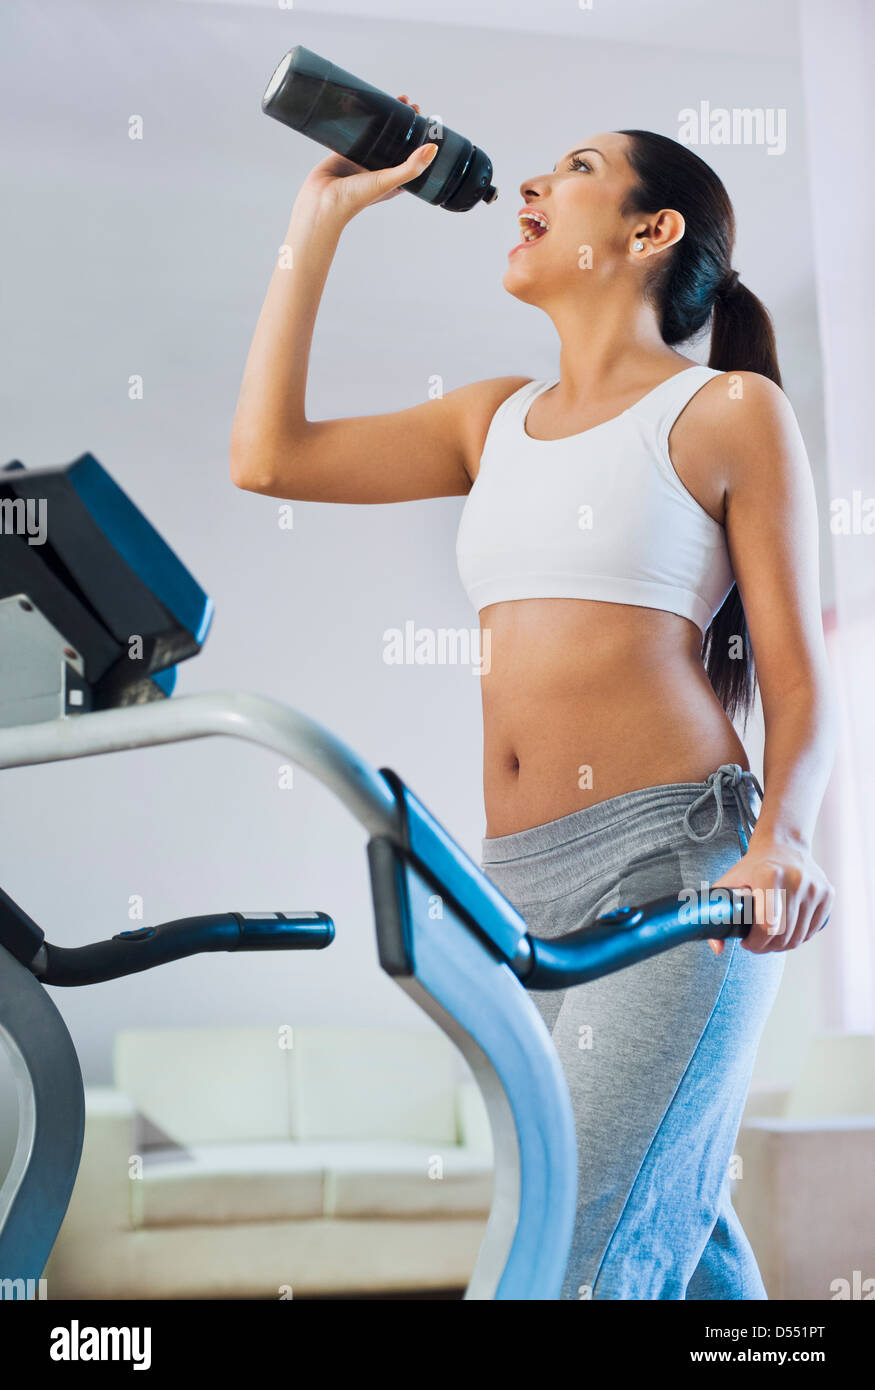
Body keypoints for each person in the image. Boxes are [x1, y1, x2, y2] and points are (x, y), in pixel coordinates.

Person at [229, 108, 837, 1300]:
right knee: (674, 1231)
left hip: (675, 874)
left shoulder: (723, 413)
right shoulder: (490, 419)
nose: (527, 186)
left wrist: (785, 841)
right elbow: (269, 457)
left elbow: (792, 668)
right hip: (517, 880)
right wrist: (315, 224)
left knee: (559, 1263)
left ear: (651, 229)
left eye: (575, 170)